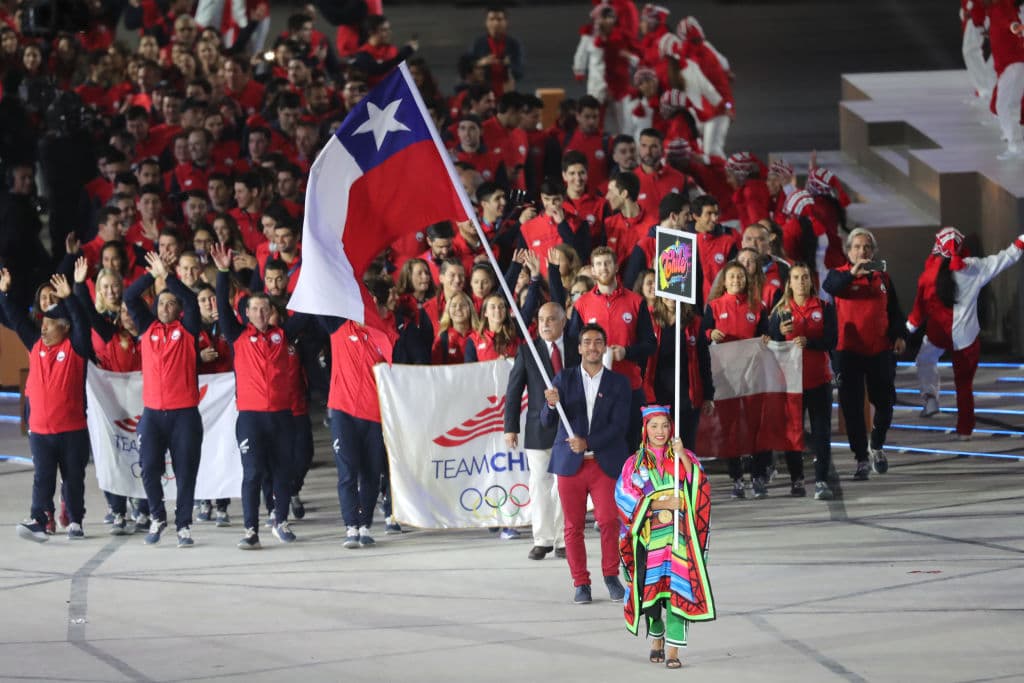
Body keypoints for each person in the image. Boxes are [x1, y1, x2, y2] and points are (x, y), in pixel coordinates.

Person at [210, 244, 297, 549]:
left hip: (282, 416)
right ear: (246, 313)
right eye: (255, 309)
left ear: (271, 312)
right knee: (252, 474)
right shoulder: (237, 336)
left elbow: (308, 314)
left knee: (283, 472)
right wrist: (223, 272)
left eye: (265, 309)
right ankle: (250, 530)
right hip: (251, 418)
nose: (260, 313)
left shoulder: (283, 335)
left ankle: (280, 521)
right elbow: (223, 307)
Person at [616, 406, 715, 669]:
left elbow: (701, 488)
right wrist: (659, 504)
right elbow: (624, 498)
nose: (660, 431)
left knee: (677, 592)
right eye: (654, 426)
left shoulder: (685, 457)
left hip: (679, 539)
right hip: (649, 541)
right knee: (650, 596)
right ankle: (656, 632)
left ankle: (673, 649)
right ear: (645, 430)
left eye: (665, 425)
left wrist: (682, 456)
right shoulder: (634, 463)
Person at [541, 323, 632, 604]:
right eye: (587, 342)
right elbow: (546, 421)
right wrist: (551, 404)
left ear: (604, 347)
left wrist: (588, 442)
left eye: (598, 342)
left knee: (609, 521)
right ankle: (581, 582)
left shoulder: (619, 383)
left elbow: (619, 426)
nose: (593, 347)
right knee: (573, 526)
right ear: (579, 348)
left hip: (605, 463)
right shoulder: (563, 378)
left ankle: (610, 575)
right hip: (570, 464)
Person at [2, 270, 93, 542]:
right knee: (42, 478)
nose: (43, 328)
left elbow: (81, 323)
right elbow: (17, 319)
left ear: (65, 328)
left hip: (72, 430)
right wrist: (4, 294)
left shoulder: (76, 348)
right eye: (43, 323)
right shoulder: (36, 346)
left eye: (50, 324)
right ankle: (39, 520)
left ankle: (75, 521)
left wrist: (70, 297)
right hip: (41, 430)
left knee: (73, 478)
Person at [907, 228, 1024, 437]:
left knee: (925, 360)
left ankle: (930, 399)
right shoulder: (974, 268)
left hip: (938, 334)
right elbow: (1007, 257)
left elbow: (919, 310)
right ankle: (965, 429)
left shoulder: (928, 275)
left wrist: (904, 331)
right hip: (966, 339)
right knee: (964, 385)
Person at [124, 252, 205, 547]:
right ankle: (157, 517)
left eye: (171, 303)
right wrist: (153, 274)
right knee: (148, 468)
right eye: (161, 303)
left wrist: (169, 277)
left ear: (179, 309)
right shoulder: (148, 328)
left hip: (185, 414)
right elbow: (129, 297)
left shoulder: (188, 329)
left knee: (186, 472)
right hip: (153, 414)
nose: (165, 307)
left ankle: (183, 525)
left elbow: (192, 301)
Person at [823, 229, 907, 481]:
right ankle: (861, 458)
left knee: (885, 402)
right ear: (849, 251)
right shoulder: (838, 275)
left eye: (867, 247)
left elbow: (894, 310)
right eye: (857, 247)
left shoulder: (883, 278)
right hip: (847, 352)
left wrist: (899, 335)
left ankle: (877, 444)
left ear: (873, 251)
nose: (862, 251)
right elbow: (830, 287)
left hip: (879, 350)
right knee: (852, 408)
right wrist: (852, 273)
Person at [504, 302, 579, 560]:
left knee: (563, 486)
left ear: (563, 322)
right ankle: (543, 539)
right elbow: (514, 391)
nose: (545, 324)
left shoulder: (576, 348)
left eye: (551, 319)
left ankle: (562, 540)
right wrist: (510, 427)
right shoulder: (528, 351)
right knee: (539, 485)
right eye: (541, 319)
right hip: (539, 428)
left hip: (570, 428)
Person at [569, 246, 657, 449]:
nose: (604, 268)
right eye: (599, 264)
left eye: (607, 263)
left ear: (616, 266)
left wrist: (626, 352)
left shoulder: (636, 302)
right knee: (602, 449)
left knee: (634, 447)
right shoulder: (581, 304)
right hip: (594, 389)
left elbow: (650, 345)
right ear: (592, 270)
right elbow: (573, 347)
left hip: (630, 387)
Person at [769, 263, 838, 500]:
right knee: (793, 433)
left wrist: (810, 342)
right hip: (790, 383)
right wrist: (779, 332)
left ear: (811, 281)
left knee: (821, 433)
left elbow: (832, 340)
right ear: (789, 283)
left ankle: (821, 481)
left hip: (818, 380)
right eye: (796, 277)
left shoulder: (824, 307)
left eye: (805, 277)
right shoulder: (780, 311)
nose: (801, 282)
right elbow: (769, 344)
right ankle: (796, 479)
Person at [702, 260, 770, 498]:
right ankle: (736, 479)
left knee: (755, 426)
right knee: (729, 427)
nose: (736, 280)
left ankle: (758, 477)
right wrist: (710, 333)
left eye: (740, 276)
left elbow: (767, 335)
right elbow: (702, 333)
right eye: (731, 276)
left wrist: (766, 340)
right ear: (724, 281)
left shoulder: (758, 307)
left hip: (752, 375)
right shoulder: (714, 306)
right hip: (725, 376)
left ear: (747, 280)